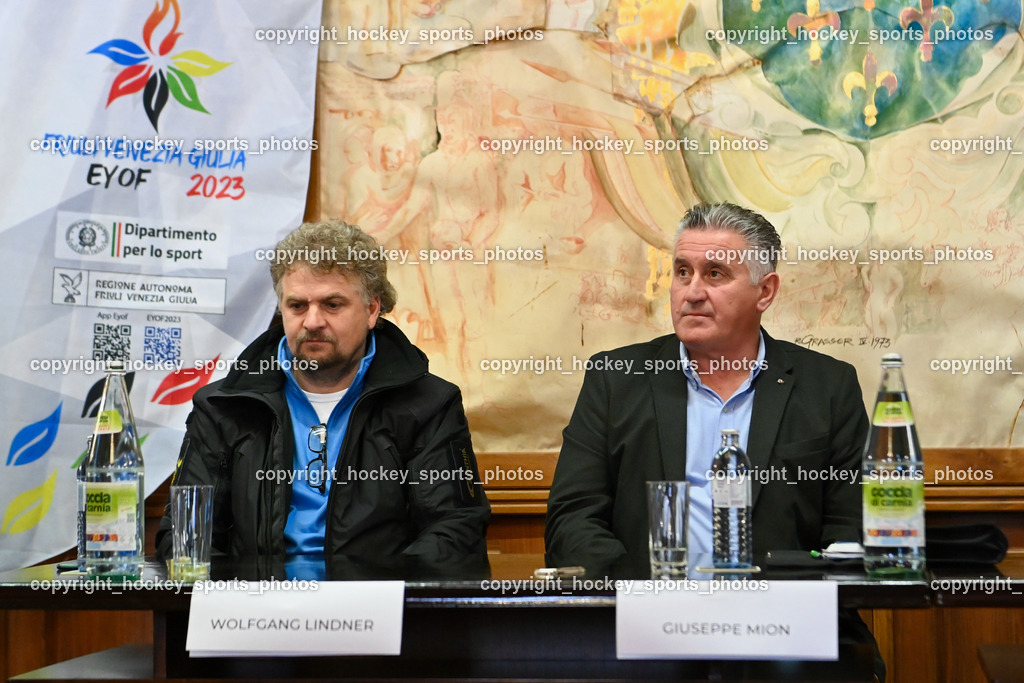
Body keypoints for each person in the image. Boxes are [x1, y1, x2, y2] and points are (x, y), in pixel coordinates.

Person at [545, 202, 882, 679]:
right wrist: (644, 601)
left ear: (764, 291)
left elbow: (849, 531)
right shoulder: (616, 378)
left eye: (715, 273)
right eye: (682, 272)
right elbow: (572, 519)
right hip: (648, 631)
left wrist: (790, 602)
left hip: (782, 631)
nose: (692, 292)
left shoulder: (827, 386)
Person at [156, 220, 489, 561]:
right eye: (297, 306)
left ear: (372, 309)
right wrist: (242, 601)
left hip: (377, 608)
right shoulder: (223, 407)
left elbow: (455, 529)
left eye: (332, 305)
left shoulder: (429, 405)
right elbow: (184, 534)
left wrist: (373, 604)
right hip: (256, 607)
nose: (312, 321)